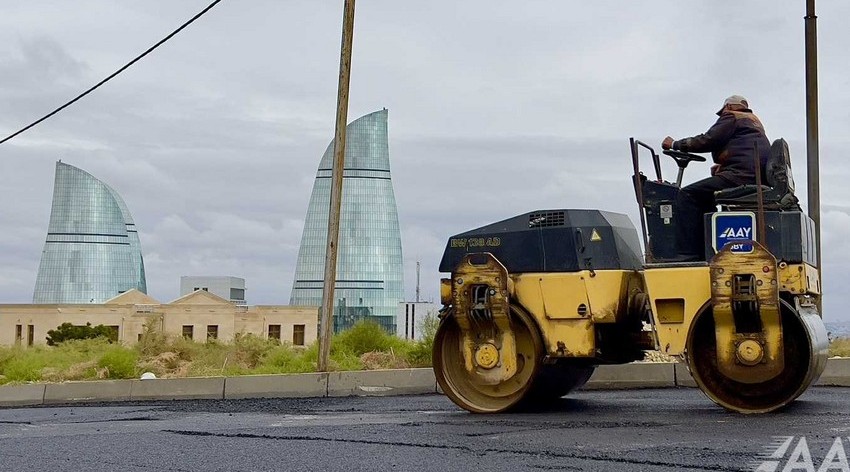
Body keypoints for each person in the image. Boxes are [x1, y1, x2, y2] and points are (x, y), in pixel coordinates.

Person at [661, 95, 770, 261]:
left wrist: (675, 144)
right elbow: (744, 151)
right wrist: (724, 166)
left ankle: (687, 254)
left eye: (723, 111)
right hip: (750, 174)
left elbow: (708, 140)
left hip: (740, 176)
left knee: (687, 194)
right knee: (705, 195)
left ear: (729, 107)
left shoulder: (732, 117)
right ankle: (706, 249)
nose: (722, 115)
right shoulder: (753, 123)